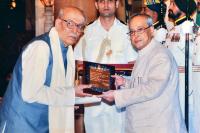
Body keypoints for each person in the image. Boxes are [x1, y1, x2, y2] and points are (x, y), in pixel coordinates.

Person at [0, 6, 92, 133]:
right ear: (58, 23)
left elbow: (57, 91)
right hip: (22, 123)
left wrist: (69, 101)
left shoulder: (67, 50)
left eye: (80, 26)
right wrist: (70, 94)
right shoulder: (41, 48)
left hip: (43, 123)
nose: (75, 30)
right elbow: (30, 93)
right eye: (70, 24)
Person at [99, 13, 187, 133]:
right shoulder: (146, 52)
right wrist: (125, 82)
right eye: (132, 32)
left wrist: (117, 96)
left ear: (151, 30)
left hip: (158, 126)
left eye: (140, 30)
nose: (135, 35)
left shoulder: (160, 55)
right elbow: (144, 84)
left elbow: (152, 89)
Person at [74, 0, 137, 133]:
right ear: (96, 5)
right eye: (102, 1)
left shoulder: (127, 32)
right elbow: (78, 64)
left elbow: (134, 65)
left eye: (110, 1)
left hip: (118, 98)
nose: (106, 5)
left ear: (117, 4)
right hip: (93, 99)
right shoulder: (86, 32)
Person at [166, 0, 200, 132]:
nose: (170, 7)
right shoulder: (172, 31)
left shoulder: (195, 30)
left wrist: (185, 37)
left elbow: (195, 58)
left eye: (173, 4)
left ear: (183, 7)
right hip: (173, 90)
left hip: (189, 92)